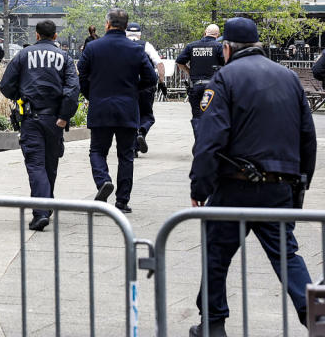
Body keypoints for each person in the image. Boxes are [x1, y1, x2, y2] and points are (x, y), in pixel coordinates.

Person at [188, 17, 316, 337]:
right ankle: (315, 316)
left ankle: (213, 323)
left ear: (227, 48)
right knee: (287, 256)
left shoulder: (224, 79)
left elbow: (209, 139)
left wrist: (199, 186)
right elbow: (307, 139)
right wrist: (300, 187)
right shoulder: (288, 78)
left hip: (235, 185)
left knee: (216, 253)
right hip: (279, 185)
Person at [0, 19, 80, 231]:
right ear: (55, 36)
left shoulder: (23, 55)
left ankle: (41, 212)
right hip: (56, 120)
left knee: (36, 165)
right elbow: (72, 89)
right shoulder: (65, 58)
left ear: (36, 35)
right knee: (50, 164)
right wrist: (64, 116)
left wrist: (20, 96)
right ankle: (47, 205)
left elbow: (5, 85)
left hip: (31, 118)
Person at [77, 8, 158, 213]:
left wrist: (92, 95)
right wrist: (132, 90)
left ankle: (103, 180)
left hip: (100, 106)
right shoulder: (136, 50)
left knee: (97, 151)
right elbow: (151, 79)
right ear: (125, 26)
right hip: (127, 109)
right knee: (126, 155)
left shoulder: (93, 48)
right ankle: (122, 201)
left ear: (107, 24)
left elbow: (82, 78)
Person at [124, 23, 166, 155]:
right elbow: (159, 64)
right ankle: (142, 131)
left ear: (126, 33)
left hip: (126, 87)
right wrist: (161, 82)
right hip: (145, 86)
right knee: (147, 115)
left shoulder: (121, 44)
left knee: (129, 117)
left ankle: (133, 148)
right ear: (140, 34)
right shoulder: (146, 45)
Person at [177, 24, 224, 136]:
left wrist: (189, 72)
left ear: (204, 33)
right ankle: (209, 143)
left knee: (197, 115)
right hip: (213, 88)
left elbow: (179, 62)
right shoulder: (219, 47)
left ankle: (199, 142)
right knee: (213, 115)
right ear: (218, 35)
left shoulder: (191, 46)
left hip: (196, 86)